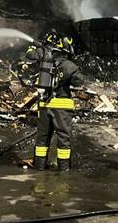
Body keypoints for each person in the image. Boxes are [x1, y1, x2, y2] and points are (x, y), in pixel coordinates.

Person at [25, 33, 84, 172]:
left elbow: (29, 55)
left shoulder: (45, 59)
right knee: (63, 138)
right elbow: (79, 81)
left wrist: (33, 46)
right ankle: (63, 169)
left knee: (42, 137)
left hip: (44, 104)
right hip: (62, 107)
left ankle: (39, 166)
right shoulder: (69, 65)